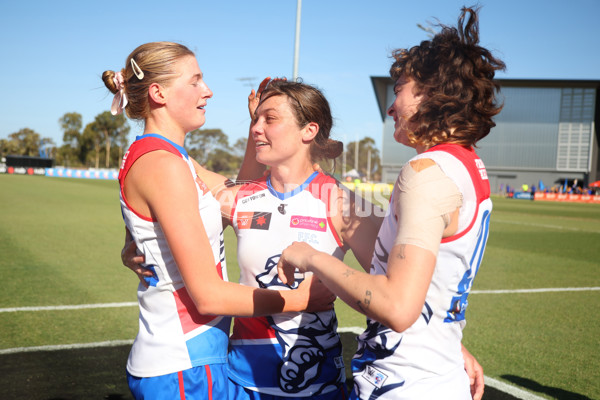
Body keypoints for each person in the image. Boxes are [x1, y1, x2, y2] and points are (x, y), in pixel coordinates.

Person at [123, 76, 484, 399]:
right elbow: (159, 188)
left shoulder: (343, 204)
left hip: (316, 385)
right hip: (241, 382)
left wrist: (449, 343)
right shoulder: (239, 197)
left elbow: (401, 289)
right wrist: (131, 244)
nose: (256, 130)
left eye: (270, 120)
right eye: (255, 120)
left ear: (308, 131)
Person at [277, 6, 502, 400]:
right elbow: (419, 279)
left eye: (399, 90)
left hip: (406, 386)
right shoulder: (466, 164)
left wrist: (311, 257)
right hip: (434, 372)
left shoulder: (426, 171)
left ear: (432, 92)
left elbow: (397, 307)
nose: (391, 105)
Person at [104, 42, 335, 400]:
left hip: (189, 359)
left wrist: (255, 130)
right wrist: (300, 299)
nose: (207, 90)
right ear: (158, 92)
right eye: (195, 81)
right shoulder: (164, 166)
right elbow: (209, 296)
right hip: (183, 364)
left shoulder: (162, 157)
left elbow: (239, 197)